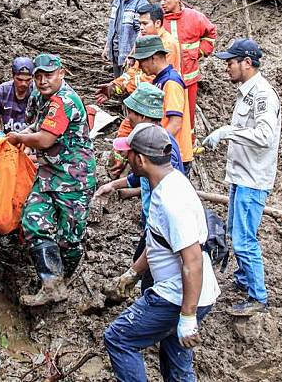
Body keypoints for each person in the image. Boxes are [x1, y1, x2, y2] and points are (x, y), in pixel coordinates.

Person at [104, 123, 220, 381]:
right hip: (191, 294)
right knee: (176, 362)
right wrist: (132, 274)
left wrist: (187, 316)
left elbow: (192, 261)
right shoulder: (169, 183)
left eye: (129, 153)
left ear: (141, 159)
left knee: (119, 338)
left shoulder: (172, 202)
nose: (126, 158)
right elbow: (158, 241)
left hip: (177, 296)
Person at [7, 54, 96, 306]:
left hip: (73, 176)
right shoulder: (39, 96)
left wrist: (19, 138)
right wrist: (18, 136)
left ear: (62, 73)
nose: (42, 81)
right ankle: (51, 283)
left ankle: (64, 280)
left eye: (48, 75)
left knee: (70, 237)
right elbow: (35, 126)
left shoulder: (64, 100)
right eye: (38, 76)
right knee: (34, 219)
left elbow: (45, 139)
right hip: (48, 171)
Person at [203, 38, 280, 316]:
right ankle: (245, 278)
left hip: (253, 179)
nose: (227, 67)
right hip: (241, 174)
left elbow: (265, 136)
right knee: (236, 232)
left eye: (231, 62)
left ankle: (258, 297)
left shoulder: (262, 95)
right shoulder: (246, 92)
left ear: (247, 63)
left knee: (245, 239)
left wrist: (226, 132)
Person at [94, 82, 184, 291]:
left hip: (162, 223)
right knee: (144, 263)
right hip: (151, 219)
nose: (128, 118)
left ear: (142, 116)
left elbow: (169, 186)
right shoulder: (148, 141)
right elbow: (139, 176)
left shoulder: (163, 146)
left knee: (152, 275)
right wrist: (113, 185)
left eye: (131, 113)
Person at [95, 2, 181, 178]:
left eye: (144, 24)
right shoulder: (143, 42)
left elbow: (145, 80)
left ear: (157, 23)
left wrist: (155, 146)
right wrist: (115, 86)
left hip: (154, 116)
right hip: (141, 108)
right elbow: (132, 72)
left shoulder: (166, 47)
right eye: (139, 24)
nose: (140, 28)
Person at [131, 35, 194, 174]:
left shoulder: (171, 82)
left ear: (154, 58)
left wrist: (154, 147)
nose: (140, 67)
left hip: (173, 154)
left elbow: (175, 123)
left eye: (142, 62)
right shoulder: (160, 80)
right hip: (165, 150)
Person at [160, 0, 217, 130]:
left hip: (189, 78)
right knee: (167, 113)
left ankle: (189, 146)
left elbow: (211, 34)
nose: (162, 3)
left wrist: (200, 52)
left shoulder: (195, 17)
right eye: (160, 0)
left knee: (188, 113)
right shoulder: (158, 19)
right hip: (166, 79)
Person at [103, 0, 148, 77]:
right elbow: (112, 25)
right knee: (117, 85)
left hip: (129, 55)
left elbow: (142, 32)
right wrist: (107, 47)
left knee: (128, 86)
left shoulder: (140, 3)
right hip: (116, 51)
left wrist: (132, 55)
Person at [0, 57, 35, 134]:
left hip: (29, 137)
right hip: (8, 135)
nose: (23, 84)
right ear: (13, 76)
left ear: (33, 78)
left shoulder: (36, 92)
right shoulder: (3, 90)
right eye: (19, 79)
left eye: (28, 80)